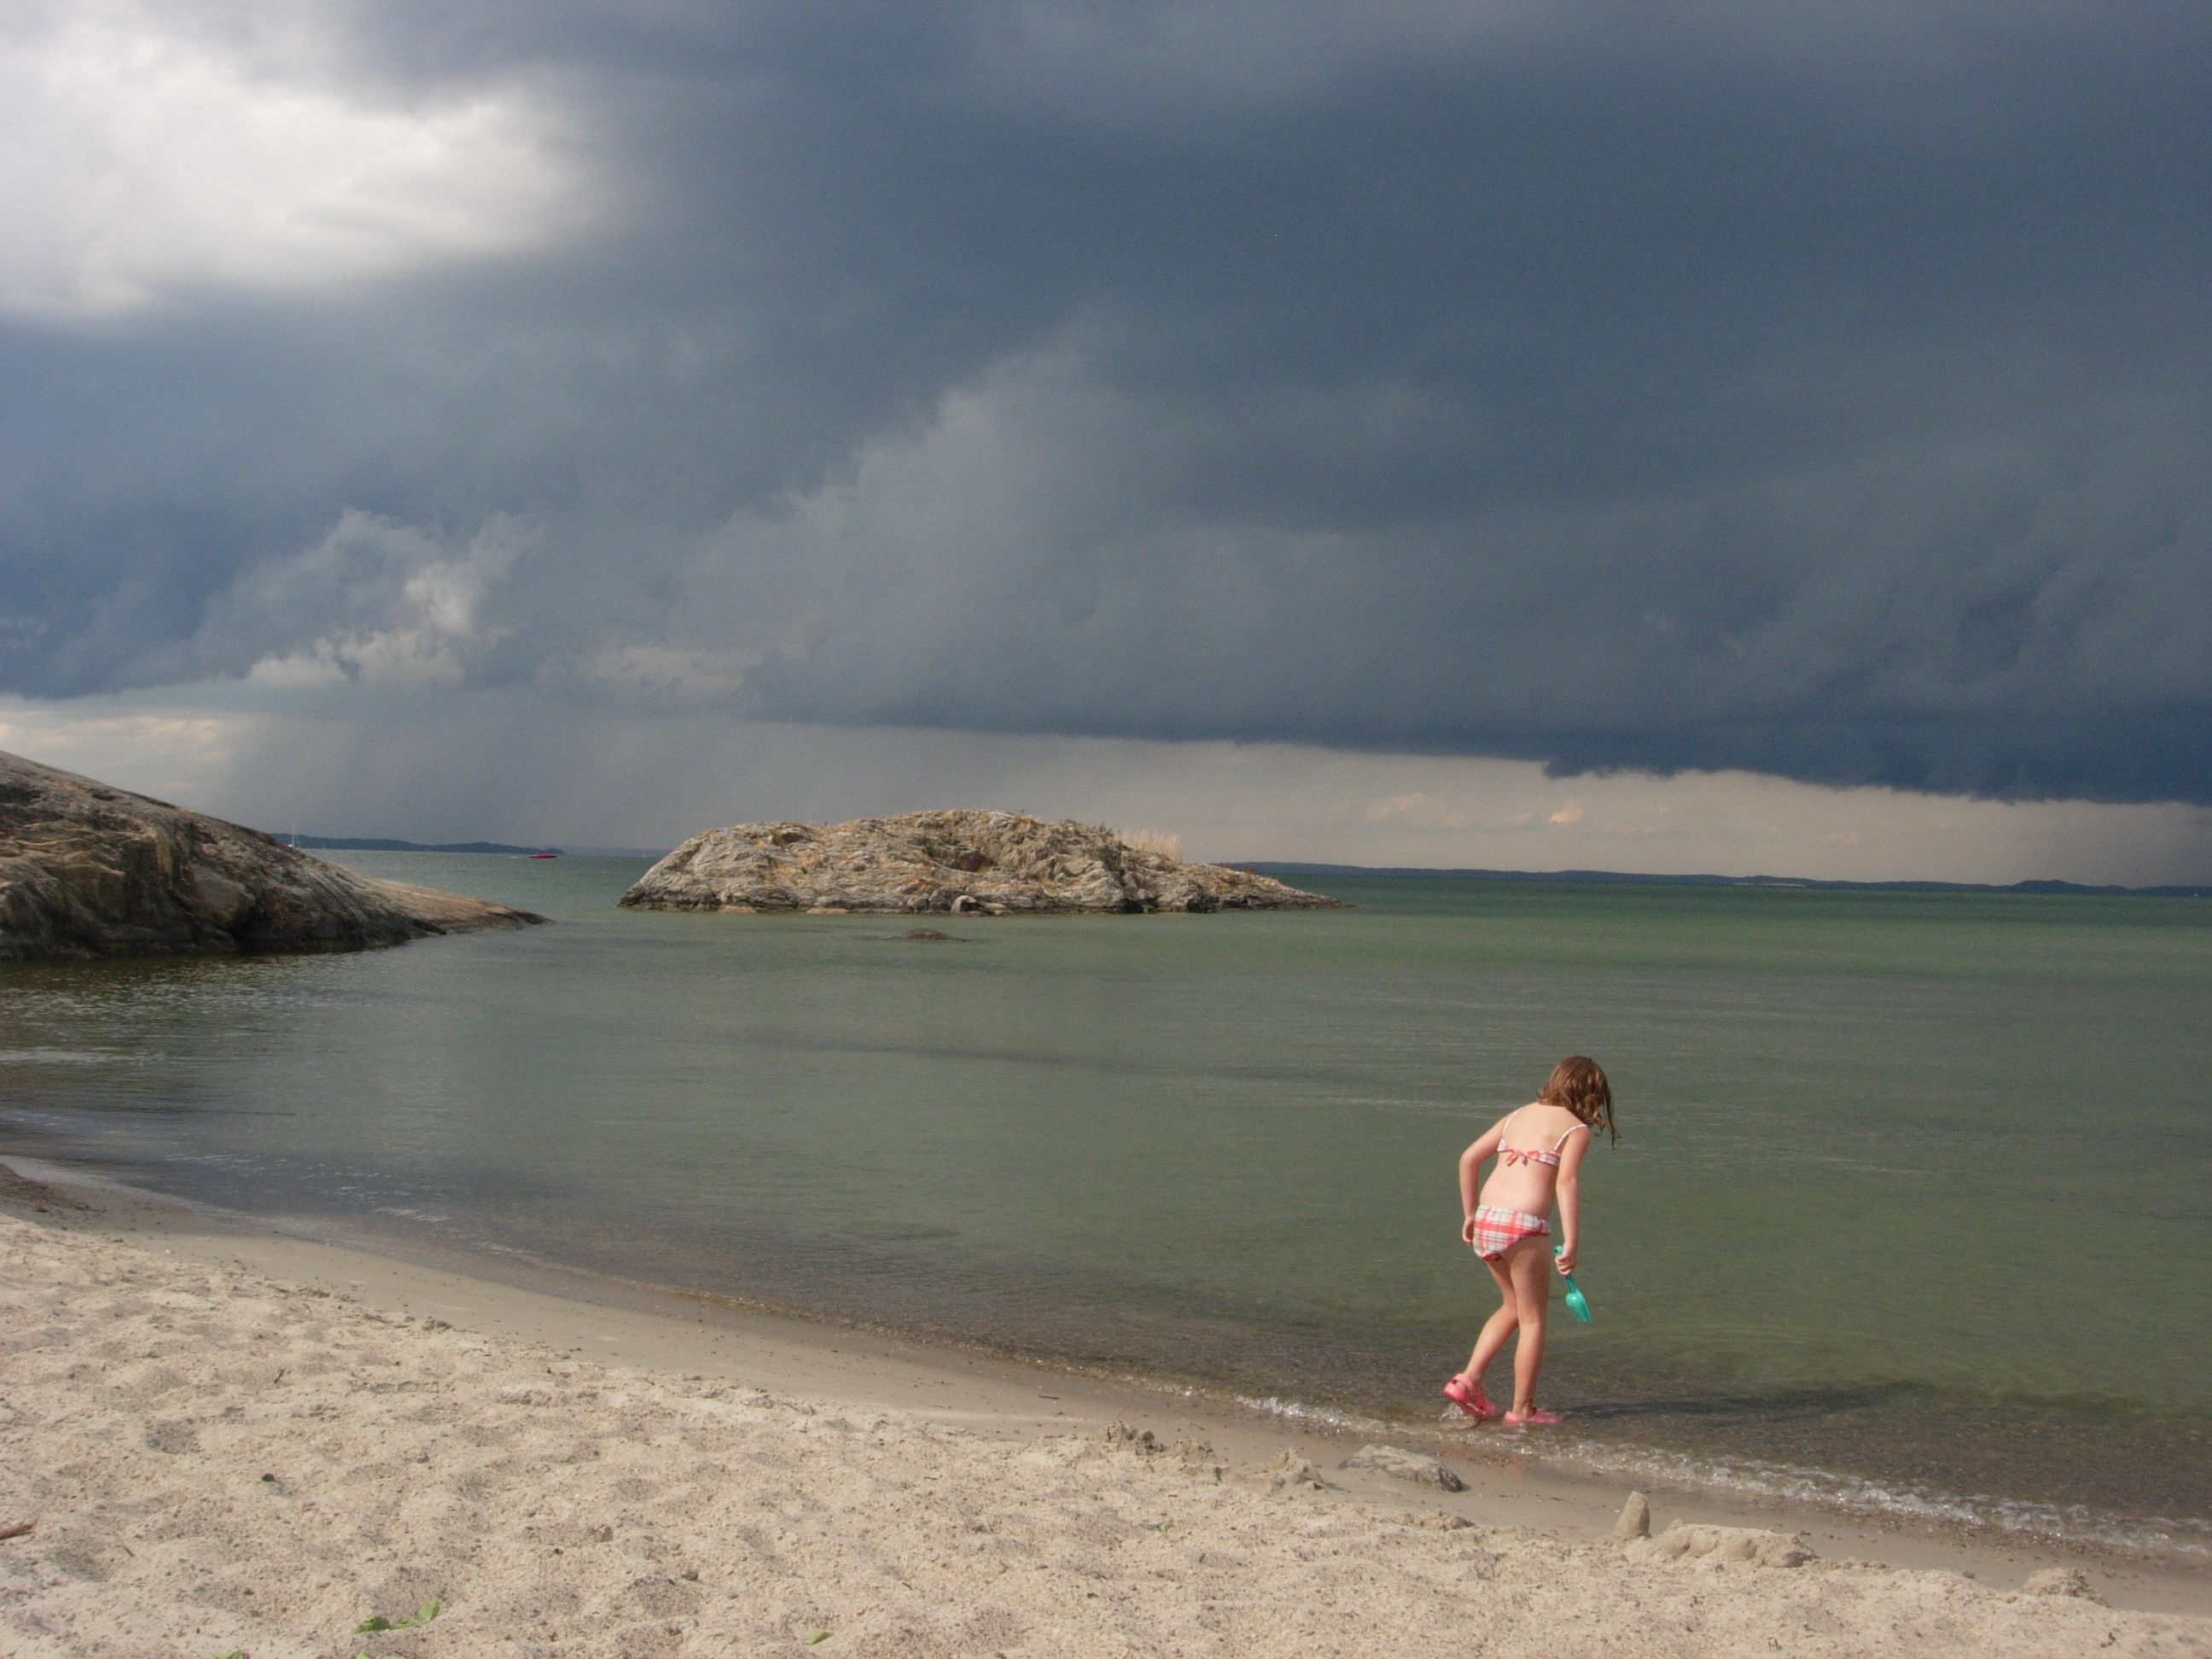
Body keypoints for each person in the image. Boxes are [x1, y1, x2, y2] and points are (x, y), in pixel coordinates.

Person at [1442, 1057, 1615, 1426]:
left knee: (1512, 1308)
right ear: (1590, 1096)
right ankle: (1522, 1410)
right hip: (1524, 1226)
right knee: (1534, 1320)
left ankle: (1467, 1381)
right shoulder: (1575, 1130)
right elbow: (1565, 1182)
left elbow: (1468, 1158)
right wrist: (1571, 1241)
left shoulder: (1518, 1115)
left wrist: (1470, 1213)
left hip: (1488, 1220)